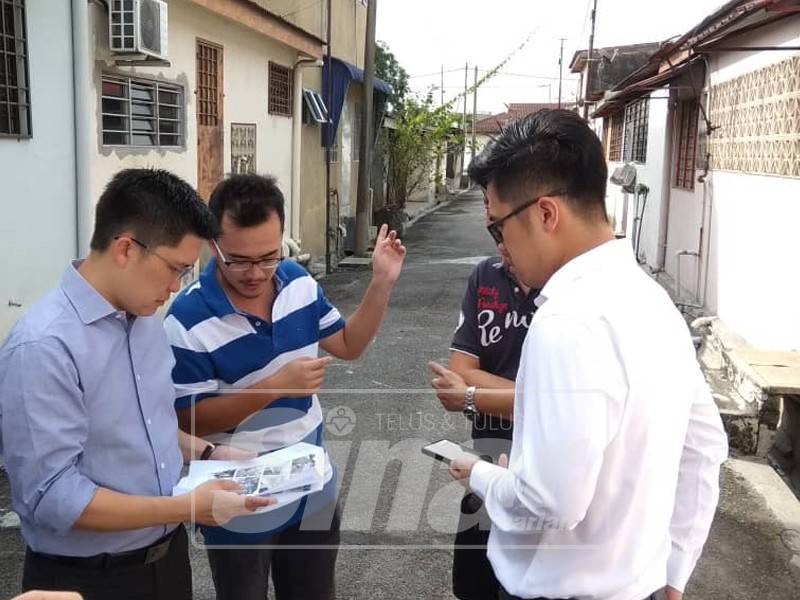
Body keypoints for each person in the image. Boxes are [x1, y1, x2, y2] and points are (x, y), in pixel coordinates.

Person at [448, 110, 728, 600]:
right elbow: (703, 446)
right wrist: (674, 572)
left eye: (498, 228)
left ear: (546, 214)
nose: (501, 247)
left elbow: (550, 501)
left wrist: (480, 474)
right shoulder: (652, 300)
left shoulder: (564, 322)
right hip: (638, 586)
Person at [0, 169, 272, 600]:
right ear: (126, 248)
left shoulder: (143, 320)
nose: (175, 287)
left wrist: (210, 452)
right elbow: (54, 496)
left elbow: (148, 426)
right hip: (85, 580)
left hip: (166, 562)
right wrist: (187, 507)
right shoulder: (45, 346)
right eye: (176, 269)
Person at [164, 173, 406, 600]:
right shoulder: (187, 322)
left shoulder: (297, 282)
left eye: (269, 256)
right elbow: (189, 421)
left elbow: (348, 344)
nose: (256, 273)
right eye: (238, 260)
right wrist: (273, 386)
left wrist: (381, 283)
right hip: (237, 498)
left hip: (310, 484)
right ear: (212, 243)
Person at [429, 232, 536, 600]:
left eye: (508, 230)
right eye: (494, 231)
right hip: (487, 455)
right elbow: (462, 367)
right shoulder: (486, 276)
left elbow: (567, 404)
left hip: (541, 466)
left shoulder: (567, 297)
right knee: (474, 583)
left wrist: (473, 396)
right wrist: (529, 397)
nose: (502, 244)